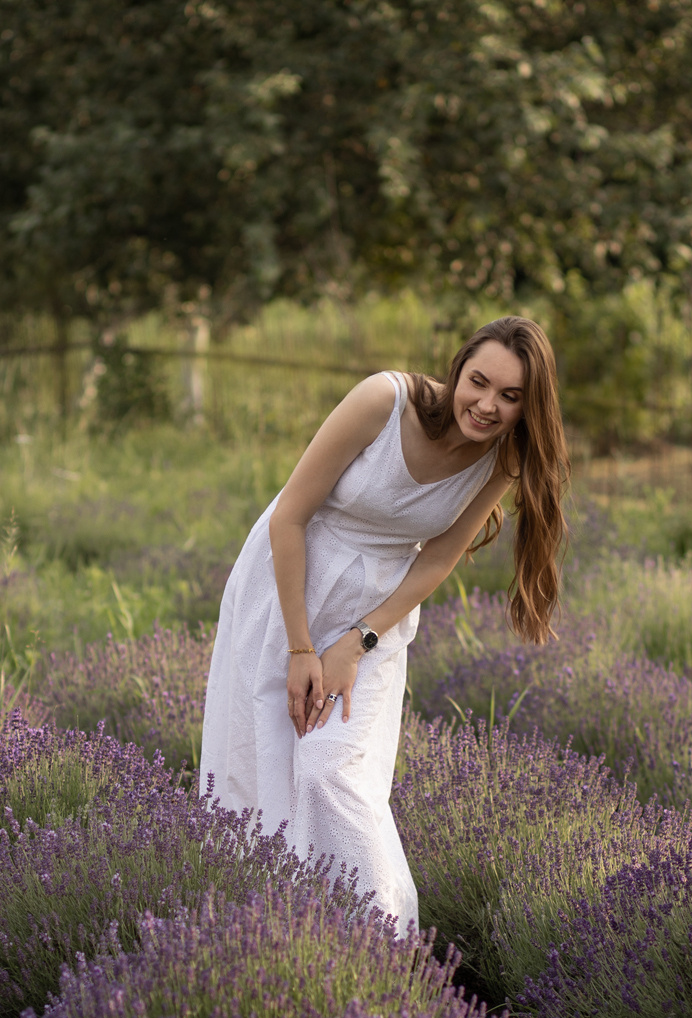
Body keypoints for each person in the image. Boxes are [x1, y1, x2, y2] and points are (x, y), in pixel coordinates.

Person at [200, 316, 568, 933]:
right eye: (479, 383)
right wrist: (299, 647)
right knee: (261, 768)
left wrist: (359, 639)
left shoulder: (502, 458)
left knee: (331, 772)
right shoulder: (384, 399)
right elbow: (288, 517)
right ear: (458, 370)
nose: (487, 405)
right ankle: (275, 936)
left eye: (511, 397)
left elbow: (442, 556)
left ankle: (388, 945)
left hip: (377, 616)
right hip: (286, 589)